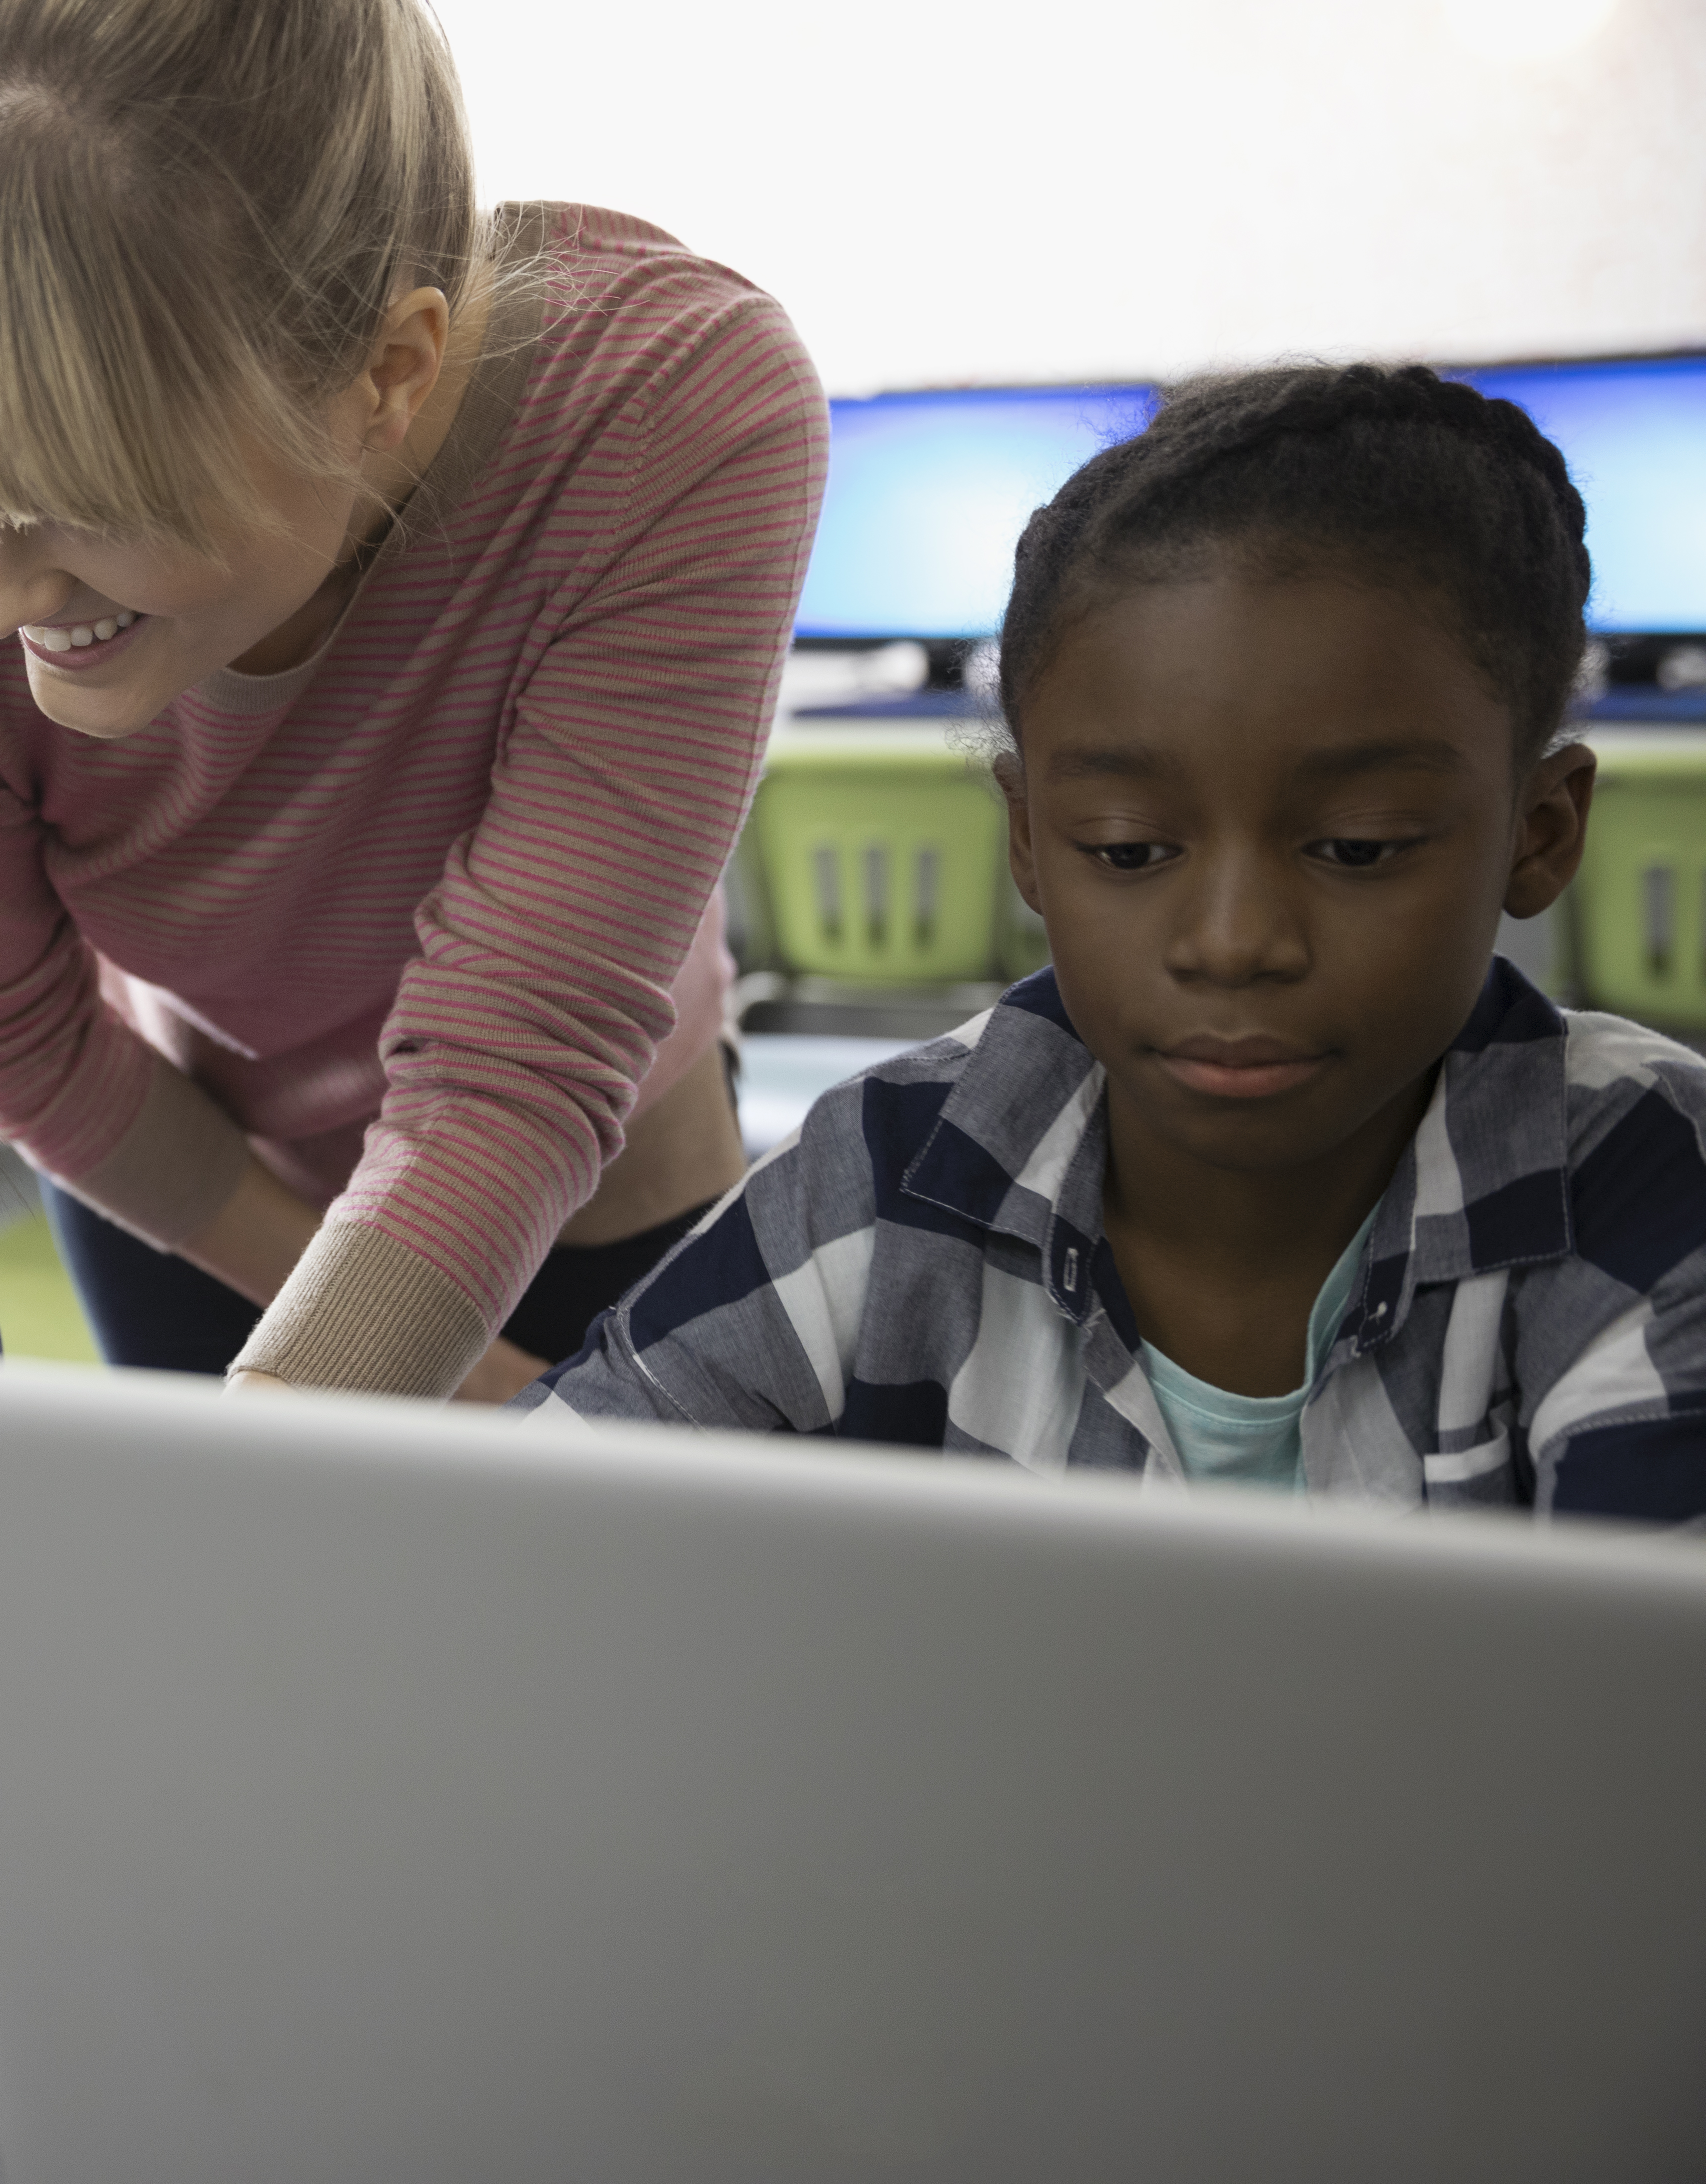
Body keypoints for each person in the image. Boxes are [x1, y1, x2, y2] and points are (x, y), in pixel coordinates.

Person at [0, 0, 825, 1410]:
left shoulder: (671, 414)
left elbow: (518, 1057)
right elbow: (7, 1026)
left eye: (83, 495)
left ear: (392, 373)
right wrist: (399, 1374)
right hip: (196, 1180)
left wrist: (411, 1388)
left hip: (601, 1175)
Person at [537, 363, 1706, 1519]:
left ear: (1539, 835)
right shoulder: (896, 1171)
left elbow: (1639, 1697)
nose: (1234, 943)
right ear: (1030, 840)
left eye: (1357, 846)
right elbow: (537, 1514)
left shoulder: (1650, 1182)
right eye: (1129, 848)